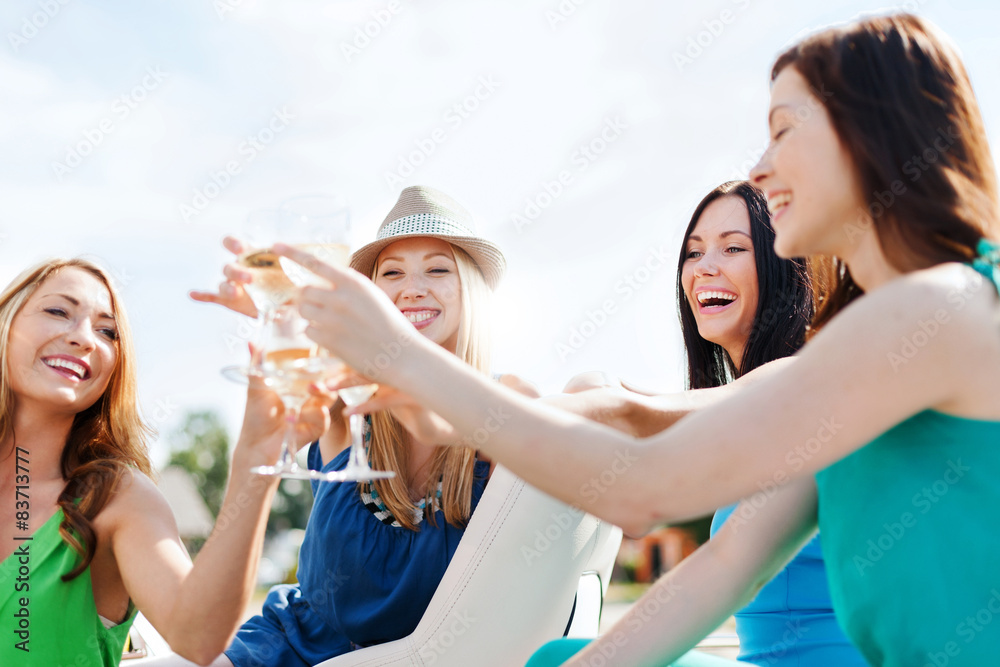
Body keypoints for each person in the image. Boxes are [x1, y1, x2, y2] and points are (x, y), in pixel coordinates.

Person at [275, 13, 1000, 666]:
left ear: (868, 132)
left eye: (783, 129)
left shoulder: (938, 309)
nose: (759, 166)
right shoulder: (860, 353)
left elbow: (645, 485)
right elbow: (720, 565)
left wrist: (404, 357)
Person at [184, 185, 533, 666]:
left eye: (437, 269)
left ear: (469, 289)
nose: (412, 288)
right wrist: (280, 307)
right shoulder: (346, 402)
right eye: (391, 274)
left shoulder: (506, 402)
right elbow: (308, 360)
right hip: (290, 647)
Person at [528, 181, 866, 665]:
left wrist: (475, 417)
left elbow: (638, 413)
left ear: (788, 268)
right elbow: (641, 416)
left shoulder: (801, 380)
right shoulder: (741, 416)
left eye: (734, 248)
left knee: (556, 659)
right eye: (693, 252)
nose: (705, 267)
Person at [0, 258, 323, 667]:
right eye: (58, 311)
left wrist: (257, 458)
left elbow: (198, 637)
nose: (84, 338)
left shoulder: (116, 498)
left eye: (107, 332)